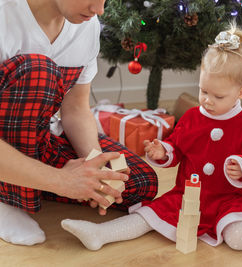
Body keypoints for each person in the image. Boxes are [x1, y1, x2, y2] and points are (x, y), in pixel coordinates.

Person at [61, 23, 242, 251]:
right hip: (186, 196)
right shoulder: (193, 117)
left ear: (241, 93)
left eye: (219, 96)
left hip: (228, 201)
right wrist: (163, 151)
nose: (207, 100)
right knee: (148, 215)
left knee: (240, 241)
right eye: (203, 91)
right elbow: (176, 147)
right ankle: (100, 233)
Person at [0, 0, 157, 246]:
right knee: (39, 71)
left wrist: (95, 166)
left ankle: (32, 182)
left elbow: (75, 109)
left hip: (40, 138)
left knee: (138, 182)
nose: (100, 10)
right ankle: (8, 199)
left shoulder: (86, 25)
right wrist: (62, 181)